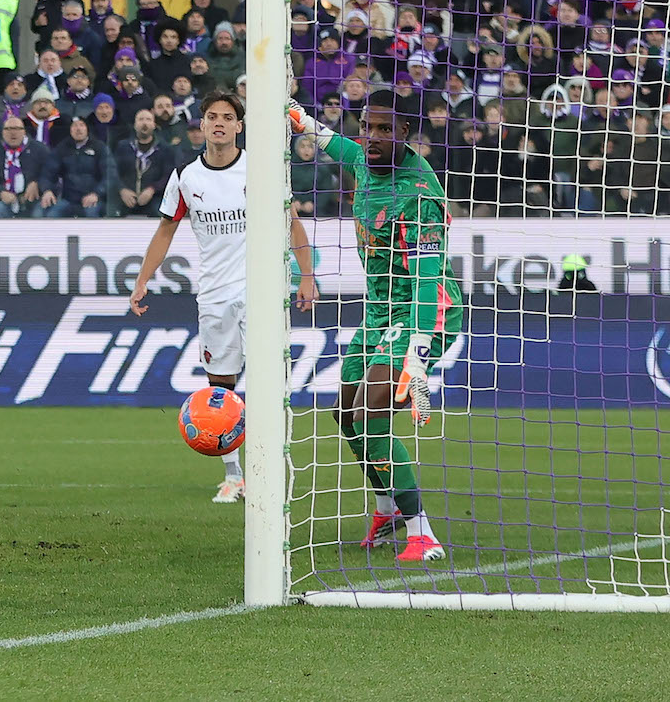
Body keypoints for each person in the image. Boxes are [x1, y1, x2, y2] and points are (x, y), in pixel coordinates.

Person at [289, 89, 463, 561]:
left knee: (370, 414)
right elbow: (338, 147)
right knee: (345, 415)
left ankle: (421, 532)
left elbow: (429, 280)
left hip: (423, 312)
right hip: (378, 310)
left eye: (386, 130)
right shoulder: (365, 158)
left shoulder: (421, 194)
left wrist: (419, 351)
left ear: (407, 133)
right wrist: (299, 118)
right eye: (369, 127)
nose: (373, 137)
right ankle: (387, 509)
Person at [132, 90, 317, 502]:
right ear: (202, 124)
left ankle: (268, 471)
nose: (218, 123)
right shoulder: (186, 177)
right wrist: (143, 278)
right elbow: (166, 230)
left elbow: (292, 222)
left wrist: (307, 276)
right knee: (221, 388)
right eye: (211, 116)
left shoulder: (262, 168)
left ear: (239, 125)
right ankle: (234, 476)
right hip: (214, 294)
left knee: (268, 386)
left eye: (227, 117)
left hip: (262, 292)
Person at [40, 117, 112, 218]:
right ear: (70, 130)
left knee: (92, 216)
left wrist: (97, 194)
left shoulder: (100, 147)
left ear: (87, 129)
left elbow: (110, 175)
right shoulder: (62, 148)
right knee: (52, 215)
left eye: (81, 125)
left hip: (93, 198)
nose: (78, 129)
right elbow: (48, 173)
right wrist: (47, 190)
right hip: (68, 200)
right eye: (74, 126)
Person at [111, 108, 172, 216]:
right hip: (126, 197)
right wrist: (122, 189)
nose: (144, 123)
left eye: (148, 119)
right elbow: (113, 172)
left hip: (154, 197)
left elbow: (168, 175)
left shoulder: (165, 149)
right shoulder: (123, 146)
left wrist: (152, 189)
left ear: (154, 124)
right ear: (135, 125)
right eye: (141, 119)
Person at [0, 116, 46, 218]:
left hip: (33, 200)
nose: (13, 133)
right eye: (8, 129)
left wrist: (37, 183)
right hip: (5, 199)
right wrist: (0, 192)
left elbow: (50, 175)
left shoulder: (40, 150)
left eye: (17, 129)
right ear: (3, 132)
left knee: (40, 212)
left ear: (24, 131)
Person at [206, 23, 246, 92]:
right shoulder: (207, 58)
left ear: (233, 41)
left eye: (227, 38)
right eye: (220, 39)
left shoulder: (243, 58)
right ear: (215, 41)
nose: (224, 42)